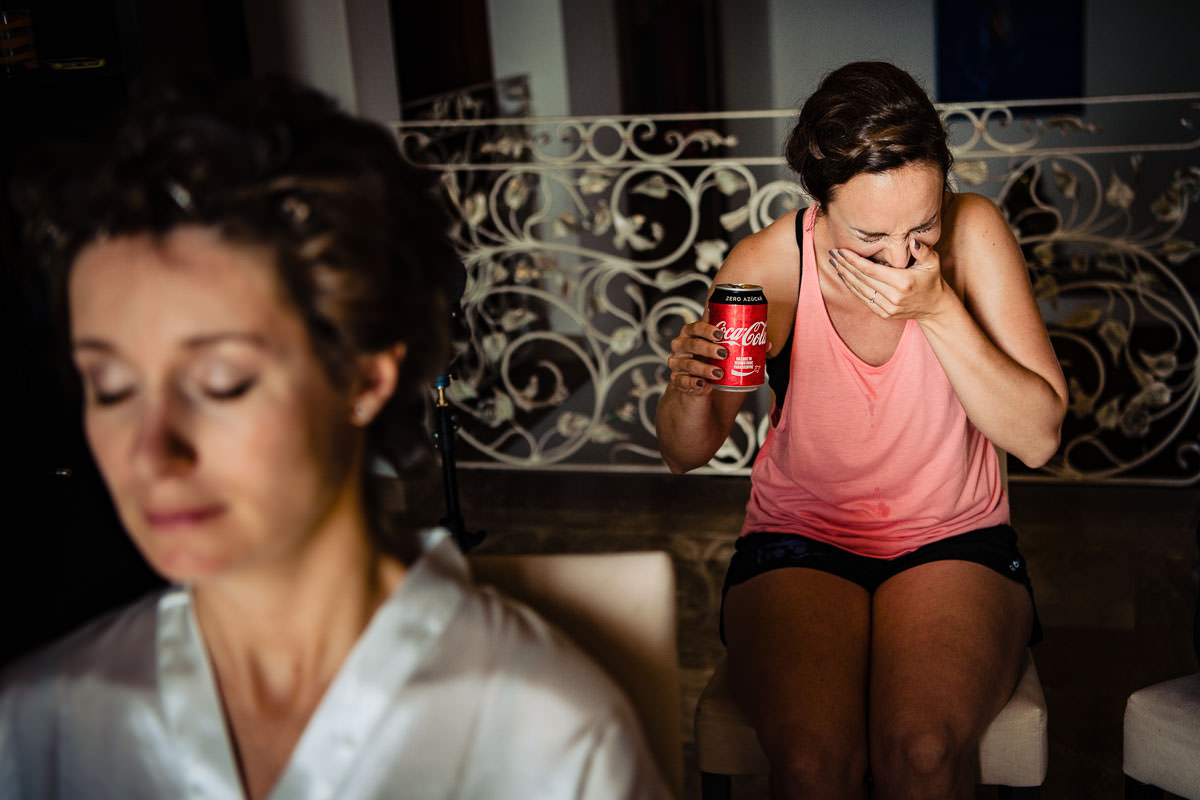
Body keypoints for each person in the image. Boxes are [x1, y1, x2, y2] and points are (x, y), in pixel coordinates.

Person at [0, 77, 669, 800]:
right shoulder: (39, 721)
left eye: (222, 382)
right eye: (110, 388)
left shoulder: (549, 741)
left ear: (364, 377)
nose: (150, 454)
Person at [656, 61, 1067, 799]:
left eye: (922, 225)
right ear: (820, 207)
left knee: (922, 750)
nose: (902, 256)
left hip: (953, 538)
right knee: (813, 760)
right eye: (871, 234)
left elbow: (1038, 439)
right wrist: (689, 388)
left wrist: (938, 309)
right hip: (800, 538)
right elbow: (685, 452)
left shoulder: (974, 231)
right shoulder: (769, 265)